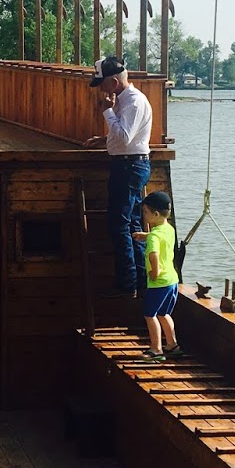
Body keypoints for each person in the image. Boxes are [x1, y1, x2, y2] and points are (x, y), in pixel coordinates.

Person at [84, 55, 152, 293]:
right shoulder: (126, 100)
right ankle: (141, 281)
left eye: (102, 84)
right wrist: (104, 140)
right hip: (129, 164)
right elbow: (126, 137)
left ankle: (129, 284)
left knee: (119, 225)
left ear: (113, 82)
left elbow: (125, 137)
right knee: (131, 224)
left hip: (129, 166)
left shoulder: (132, 102)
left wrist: (107, 112)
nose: (100, 89)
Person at [133, 189, 186, 360]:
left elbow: (153, 254)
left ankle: (156, 349)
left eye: (146, 212)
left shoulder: (154, 238)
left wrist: (153, 273)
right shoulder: (168, 229)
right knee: (164, 314)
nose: (144, 214)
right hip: (172, 281)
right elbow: (160, 236)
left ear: (155, 214)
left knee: (150, 315)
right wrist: (147, 235)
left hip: (158, 282)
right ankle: (172, 345)